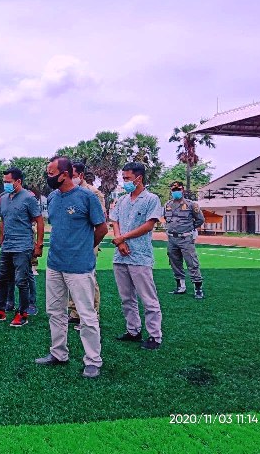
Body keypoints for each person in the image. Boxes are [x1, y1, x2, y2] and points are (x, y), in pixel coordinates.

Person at [35, 156, 107, 378]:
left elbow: (102, 228)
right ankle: (58, 353)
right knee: (55, 311)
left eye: (51, 172)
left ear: (64, 174)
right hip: (55, 264)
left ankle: (93, 360)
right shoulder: (54, 198)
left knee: (86, 315)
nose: (48, 177)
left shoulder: (87, 197)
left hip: (79, 267)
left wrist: (85, 248)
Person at [110, 162, 163, 350]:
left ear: (139, 178)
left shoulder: (151, 199)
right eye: (123, 178)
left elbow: (149, 225)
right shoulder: (122, 200)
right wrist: (120, 241)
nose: (125, 182)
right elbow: (114, 221)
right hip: (121, 256)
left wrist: (123, 238)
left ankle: (155, 336)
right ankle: (133, 330)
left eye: (127, 178)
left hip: (140, 256)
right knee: (126, 298)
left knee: (148, 298)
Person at [0, 167, 43, 327]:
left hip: (23, 246)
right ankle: (0, 310)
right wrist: (1, 238)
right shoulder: (3, 198)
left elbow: (39, 220)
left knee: (21, 280)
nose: (5, 184)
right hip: (7, 245)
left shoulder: (28, 198)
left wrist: (39, 245)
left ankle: (22, 312)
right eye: (4, 182)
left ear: (18, 181)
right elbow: (2, 220)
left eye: (8, 182)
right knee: (1, 277)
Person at [67, 163, 106, 330]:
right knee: (71, 278)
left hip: (87, 242)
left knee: (88, 279)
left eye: (72, 175)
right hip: (71, 242)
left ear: (80, 176)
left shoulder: (93, 193)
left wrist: (91, 245)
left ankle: (91, 314)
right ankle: (75, 313)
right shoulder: (67, 192)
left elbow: (100, 223)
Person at [164, 181, 206, 299]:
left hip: (186, 238)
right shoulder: (168, 205)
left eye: (178, 189)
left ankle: (198, 289)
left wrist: (189, 228)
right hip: (172, 238)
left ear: (182, 190)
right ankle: (180, 286)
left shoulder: (191, 204)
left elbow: (200, 219)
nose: (176, 192)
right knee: (174, 262)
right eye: (173, 190)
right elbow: (167, 220)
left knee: (192, 263)